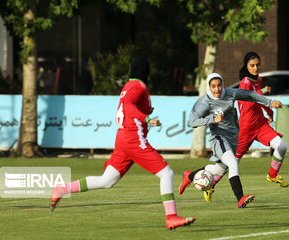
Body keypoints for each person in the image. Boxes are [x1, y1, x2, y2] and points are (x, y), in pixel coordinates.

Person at [49, 57, 195, 230]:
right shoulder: (139, 86)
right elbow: (127, 106)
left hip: (124, 138)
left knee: (107, 181)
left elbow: (127, 105)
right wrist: (146, 118)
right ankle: (171, 217)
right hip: (133, 138)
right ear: (145, 71)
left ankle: (62, 189)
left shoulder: (129, 85)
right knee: (167, 174)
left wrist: (145, 112)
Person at [179, 72, 283, 208]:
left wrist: (269, 102)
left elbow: (250, 95)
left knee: (219, 170)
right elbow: (192, 122)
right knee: (233, 163)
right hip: (219, 138)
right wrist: (212, 119)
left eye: (219, 85)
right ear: (209, 88)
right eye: (213, 86)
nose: (217, 89)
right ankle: (240, 198)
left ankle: (190, 176)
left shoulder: (230, 94)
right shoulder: (204, 102)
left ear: (222, 85)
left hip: (233, 138)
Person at [236, 52, 289, 188]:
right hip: (246, 127)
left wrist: (269, 112)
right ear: (246, 66)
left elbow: (259, 101)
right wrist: (263, 92)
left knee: (281, 146)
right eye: (252, 65)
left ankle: (272, 175)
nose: (255, 68)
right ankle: (200, 180)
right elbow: (248, 103)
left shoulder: (258, 80)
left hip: (260, 124)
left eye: (257, 65)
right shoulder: (245, 82)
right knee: (231, 164)